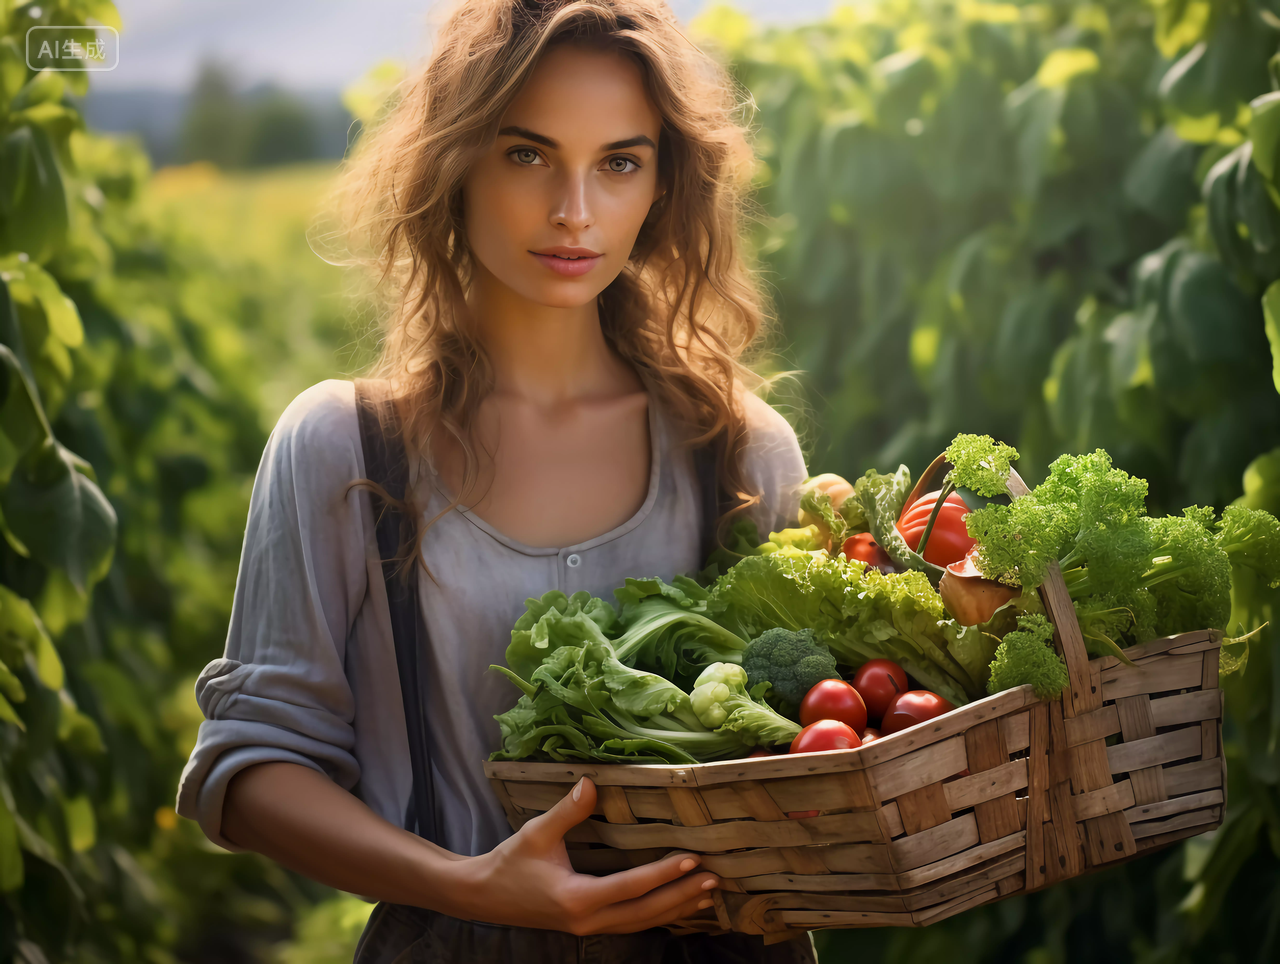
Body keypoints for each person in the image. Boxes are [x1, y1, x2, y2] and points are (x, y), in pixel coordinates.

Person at [176, 1, 815, 960]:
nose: (574, 210)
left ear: (661, 185)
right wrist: (473, 886)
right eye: (527, 155)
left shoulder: (735, 449)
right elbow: (248, 770)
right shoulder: (345, 448)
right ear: (457, 162)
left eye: (619, 162)